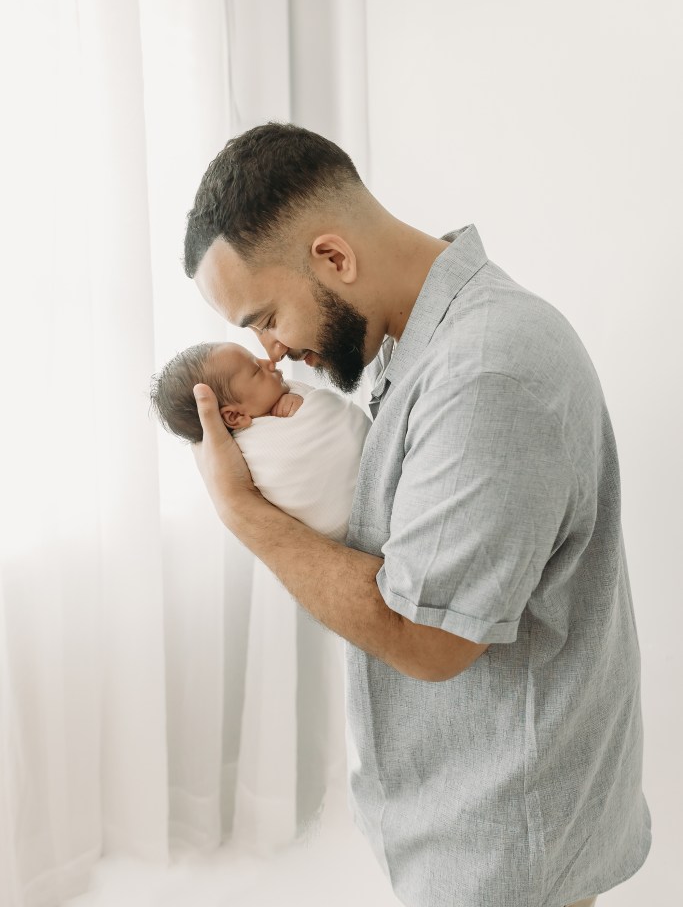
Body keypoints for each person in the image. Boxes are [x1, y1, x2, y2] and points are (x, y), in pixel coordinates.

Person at [181, 122, 652, 907]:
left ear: (333, 258)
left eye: (265, 316)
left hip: (506, 844)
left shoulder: (486, 369)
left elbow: (429, 640)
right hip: (476, 819)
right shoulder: (418, 342)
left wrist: (241, 510)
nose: (269, 351)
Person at [149, 341, 370, 541]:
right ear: (234, 416)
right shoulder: (243, 453)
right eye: (256, 370)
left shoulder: (285, 395)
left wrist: (300, 403)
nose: (270, 363)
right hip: (348, 521)